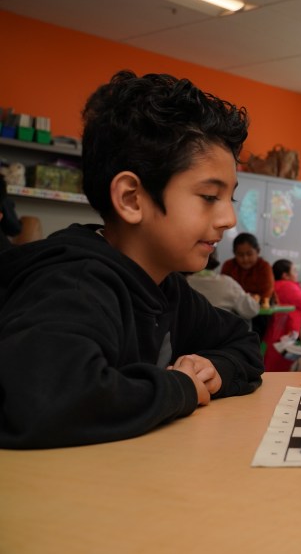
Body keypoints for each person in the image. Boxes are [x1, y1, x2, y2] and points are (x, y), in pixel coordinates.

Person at [0, 70, 264, 449]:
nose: (228, 219)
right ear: (130, 199)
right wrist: (180, 388)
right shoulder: (75, 283)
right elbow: (47, 400)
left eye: (230, 199)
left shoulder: (166, 286)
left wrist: (215, 370)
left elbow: (243, 341)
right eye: (209, 196)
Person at [187, 254, 260, 320]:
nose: (245, 259)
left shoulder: (185, 282)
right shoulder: (227, 283)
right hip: (222, 332)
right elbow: (251, 310)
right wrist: (254, 299)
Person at [220, 232, 274, 306]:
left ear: (258, 251)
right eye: (240, 255)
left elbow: (267, 292)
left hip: (260, 308)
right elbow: (224, 289)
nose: (245, 259)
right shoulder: (229, 265)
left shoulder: (264, 266)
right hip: (233, 307)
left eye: (249, 254)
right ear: (234, 253)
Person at [272, 259, 301, 340]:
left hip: (280, 330)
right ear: (286, 275)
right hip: (290, 330)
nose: (296, 274)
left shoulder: (275, 286)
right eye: (294, 271)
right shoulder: (286, 286)